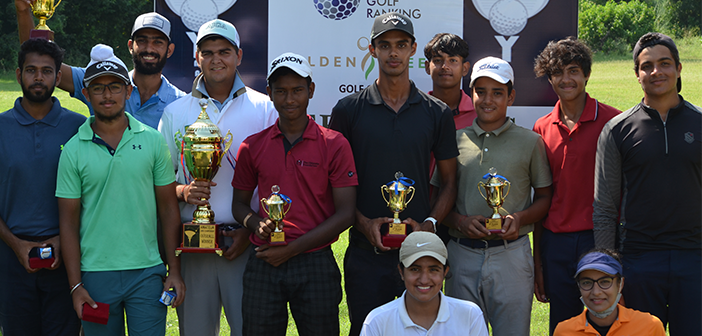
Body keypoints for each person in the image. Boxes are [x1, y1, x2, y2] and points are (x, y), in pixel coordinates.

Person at [329, 12, 459, 336]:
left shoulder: (437, 113)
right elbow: (335, 184)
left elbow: (450, 181)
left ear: (413, 49)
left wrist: (428, 226)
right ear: (372, 50)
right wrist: (363, 223)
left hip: (420, 256)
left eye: (401, 45)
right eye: (385, 45)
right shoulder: (348, 110)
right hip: (365, 253)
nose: (393, 53)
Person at [158, 19, 277, 336]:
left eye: (224, 51)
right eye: (207, 52)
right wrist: (184, 191)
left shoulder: (265, 109)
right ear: (197, 57)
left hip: (246, 245)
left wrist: (251, 232)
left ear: (239, 55)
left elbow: (275, 182)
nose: (216, 59)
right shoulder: (176, 112)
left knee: (249, 330)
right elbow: (159, 181)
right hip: (194, 246)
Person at [55, 44, 184, 335]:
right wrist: (76, 285)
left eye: (114, 86)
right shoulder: (73, 150)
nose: (107, 95)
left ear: (128, 91)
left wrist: (173, 269)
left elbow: (168, 209)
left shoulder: (152, 141)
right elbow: (68, 222)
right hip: (95, 278)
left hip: (147, 273)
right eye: (98, 89)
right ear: (86, 95)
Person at [231, 52, 357, 335]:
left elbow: (346, 213)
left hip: (314, 260)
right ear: (269, 93)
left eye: (298, 90)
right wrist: (255, 222)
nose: (290, 99)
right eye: (281, 91)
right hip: (264, 258)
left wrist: (292, 250)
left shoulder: (334, 144)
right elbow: (239, 205)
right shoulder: (252, 146)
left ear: (310, 91)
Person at [432, 56, 552, 335]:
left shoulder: (530, 141)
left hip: (512, 255)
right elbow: (438, 199)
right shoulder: (455, 138)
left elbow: (545, 197)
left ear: (510, 97)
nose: (488, 100)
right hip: (462, 254)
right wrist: (459, 221)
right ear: (470, 94)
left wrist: (520, 217)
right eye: (480, 91)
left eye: (497, 93)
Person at [593, 32, 702, 334]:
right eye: (647, 66)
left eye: (665, 63)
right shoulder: (617, 130)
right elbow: (603, 208)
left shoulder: (700, 123)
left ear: (679, 68)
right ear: (637, 75)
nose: (657, 72)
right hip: (639, 261)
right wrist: (608, 274)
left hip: (694, 258)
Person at [532, 37, 621, 334]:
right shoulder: (542, 126)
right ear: (549, 77)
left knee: (608, 318)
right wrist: (539, 263)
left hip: (599, 238)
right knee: (564, 323)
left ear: (586, 74)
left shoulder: (614, 122)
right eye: (558, 72)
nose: (566, 79)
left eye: (573, 70)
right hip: (556, 241)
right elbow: (543, 195)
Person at [0, 38, 85, 336]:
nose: (38, 77)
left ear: (57, 76)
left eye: (47, 71)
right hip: (11, 259)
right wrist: (16, 244)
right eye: (31, 70)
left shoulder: (79, 128)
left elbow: (92, 194)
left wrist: (64, 240)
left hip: (66, 257)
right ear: (18, 73)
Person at [15, 0, 185, 129]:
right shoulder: (101, 80)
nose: (149, 49)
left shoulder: (179, 103)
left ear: (169, 50)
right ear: (130, 46)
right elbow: (39, 61)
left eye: (158, 42)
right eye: (142, 41)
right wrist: (23, 12)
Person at [360, 231, 488, 336]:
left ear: (445, 272)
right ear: (401, 272)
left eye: (433, 270)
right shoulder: (377, 321)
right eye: (415, 269)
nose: (424, 280)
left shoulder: (470, 315)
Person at [423, 33, 475, 244]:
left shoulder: (479, 115)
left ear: (465, 68)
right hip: (418, 211)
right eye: (438, 61)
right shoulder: (414, 111)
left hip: (462, 215)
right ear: (428, 67)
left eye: (453, 61)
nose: (445, 66)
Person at [554, 249, 666, 336]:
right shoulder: (564, 331)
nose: (596, 292)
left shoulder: (649, 326)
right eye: (587, 283)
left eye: (605, 282)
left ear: (620, 284)